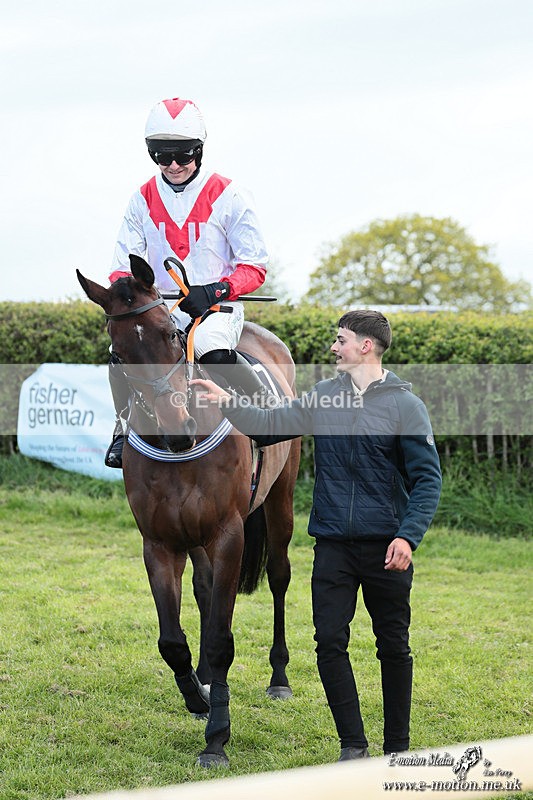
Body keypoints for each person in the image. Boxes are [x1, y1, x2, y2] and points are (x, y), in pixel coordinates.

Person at [192, 310, 442, 761]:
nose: (334, 347)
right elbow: (269, 425)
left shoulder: (406, 406)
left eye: (341, 339)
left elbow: (427, 481)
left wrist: (407, 537)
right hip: (332, 546)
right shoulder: (326, 396)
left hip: (388, 546)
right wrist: (223, 400)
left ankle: (398, 749)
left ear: (366, 345)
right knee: (329, 642)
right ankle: (353, 747)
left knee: (393, 647)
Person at [105, 96, 273, 467]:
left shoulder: (230, 194)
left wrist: (215, 290)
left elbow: (254, 266)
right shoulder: (141, 199)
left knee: (211, 346)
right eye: (163, 157)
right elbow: (120, 270)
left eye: (183, 155)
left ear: (199, 150)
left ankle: (268, 413)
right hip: (162, 310)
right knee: (120, 355)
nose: (174, 165)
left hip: (217, 308)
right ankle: (121, 429)